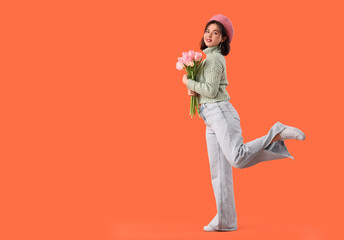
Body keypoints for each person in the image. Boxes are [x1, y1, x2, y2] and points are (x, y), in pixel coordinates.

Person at [181, 14, 306, 232]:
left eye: (216, 33)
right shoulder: (206, 59)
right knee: (219, 171)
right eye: (207, 31)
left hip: (220, 112)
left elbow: (210, 91)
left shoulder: (215, 59)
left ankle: (276, 132)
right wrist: (194, 88)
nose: (209, 35)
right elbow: (208, 89)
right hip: (210, 116)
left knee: (237, 158)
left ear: (223, 39)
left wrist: (187, 81)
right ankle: (225, 221)